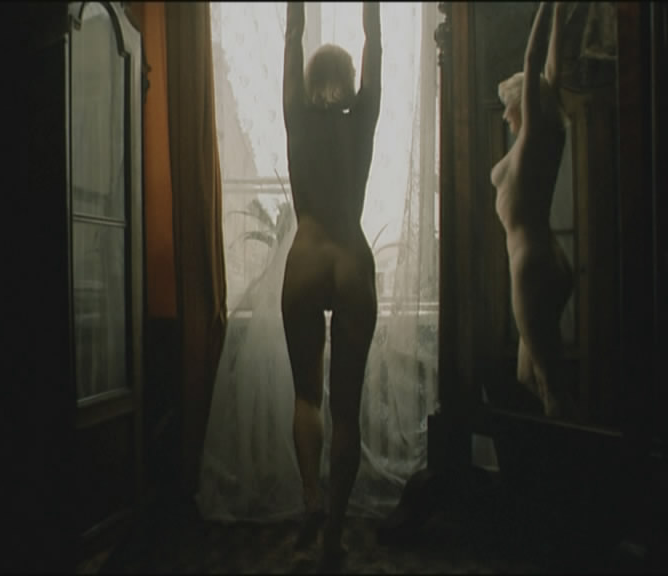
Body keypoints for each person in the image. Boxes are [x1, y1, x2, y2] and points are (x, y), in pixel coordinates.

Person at [281, 1, 381, 567]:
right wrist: (371, 9)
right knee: (347, 409)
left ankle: (312, 498)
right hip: (350, 255)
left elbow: (292, 35)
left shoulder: (296, 116)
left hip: (307, 254)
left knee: (305, 396)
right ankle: (335, 536)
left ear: (310, 78)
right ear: (347, 78)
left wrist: (295, 11)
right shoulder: (362, 119)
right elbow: (375, 46)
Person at [491, 2, 579, 420]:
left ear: (521, 107)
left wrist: (545, 6)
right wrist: (558, 11)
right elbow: (550, 72)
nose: (506, 114)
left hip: (530, 267)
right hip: (551, 258)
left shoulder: (530, 140)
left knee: (549, 383)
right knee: (528, 377)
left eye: (509, 105)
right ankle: (553, 450)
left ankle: (570, 458)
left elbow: (533, 60)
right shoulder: (549, 137)